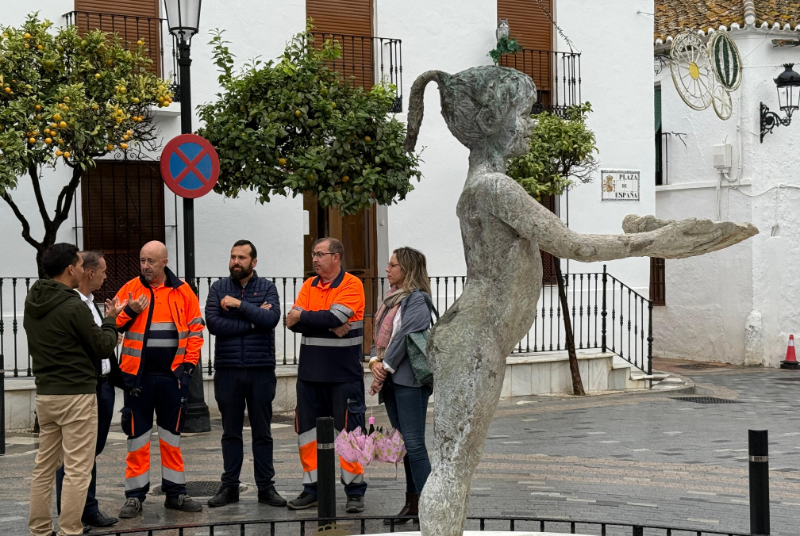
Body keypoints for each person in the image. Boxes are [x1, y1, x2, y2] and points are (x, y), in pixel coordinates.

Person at [25, 243, 122, 536]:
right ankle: (70, 530)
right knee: (78, 469)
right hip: (77, 395)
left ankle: (40, 530)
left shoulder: (33, 301)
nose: (83, 269)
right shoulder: (73, 305)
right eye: (80, 265)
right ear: (70, 269)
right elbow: (103, 346)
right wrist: (110, 320)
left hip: (46, 394)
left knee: (44, 466)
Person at [113, 241, 205, 518]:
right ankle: (134, 497)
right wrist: (130, 310)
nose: (145, 266)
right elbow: (111, 323)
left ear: (164, 262)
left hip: (172, 378)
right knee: (137, 439)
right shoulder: (131, 289)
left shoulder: (183, 291)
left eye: (151, 261)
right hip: (137, 380)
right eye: (142, 260)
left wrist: (186, 369)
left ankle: (175, 494)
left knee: (171, 439)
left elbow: (196, 330)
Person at [285, 237, 368, 513]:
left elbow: (334, 317)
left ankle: (354, 491)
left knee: (350, 434)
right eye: (313, 254)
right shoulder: (309, 285)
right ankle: (313, 489)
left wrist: (308, 317)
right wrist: (327, 323)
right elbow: (291, 323)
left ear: (336, 257)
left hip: (344, 375)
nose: (315, 259)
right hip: (310, 375)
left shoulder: (352, 284)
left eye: (320, 254)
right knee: (307, 434)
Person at [204, 240, 286, 508]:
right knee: (230, 432)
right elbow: (215, 324)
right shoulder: (218, 288)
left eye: (241, 257)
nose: (235, 261)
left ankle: (266, 487)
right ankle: (229, 487)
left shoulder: (267, 287)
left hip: (261, 369)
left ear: (254, 262)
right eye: (232, 257)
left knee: (262, 432)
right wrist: (253, 319)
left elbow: (271, 319)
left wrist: (238, 306)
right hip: (228, 370)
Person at [55, 251, 123, 530]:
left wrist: (111, 326)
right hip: (85, 389)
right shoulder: (74, 305)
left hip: (104, 387)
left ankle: (88, 508)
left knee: (91, 452)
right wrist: (110, 327)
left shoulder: (93, 304)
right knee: (73, 456)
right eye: (104, 271)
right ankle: (72, 514)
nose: (107, 276)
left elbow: (102, 343)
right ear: (90, 273)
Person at [368, 248, 434, 526]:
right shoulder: (391, 300)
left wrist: (383, 368)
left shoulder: (418, 300)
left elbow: (405, 336)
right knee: (406, 445)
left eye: (393, 265)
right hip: (392, 381)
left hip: (409, 381)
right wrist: (373, 359)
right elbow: (380, 334)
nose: (387, 269)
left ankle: (433, 506)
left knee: (415, 444)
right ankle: (412, 504)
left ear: (407, 270)